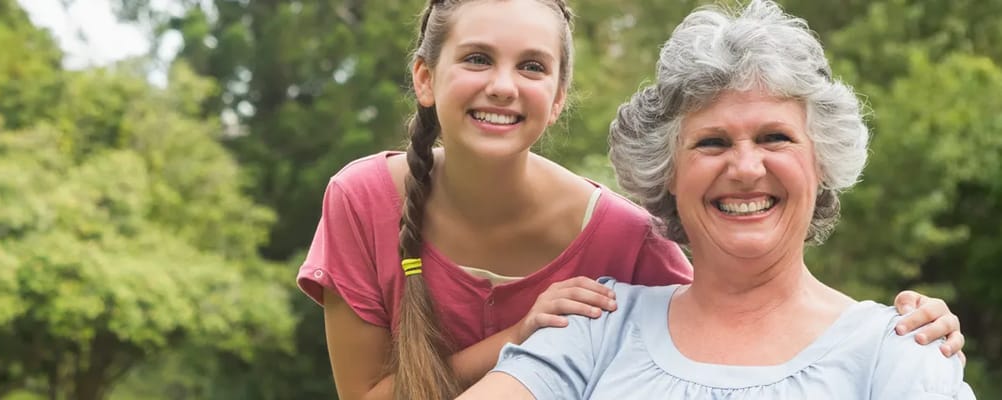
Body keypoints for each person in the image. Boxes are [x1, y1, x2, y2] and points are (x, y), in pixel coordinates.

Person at [297, 0, 965, 399]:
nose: (745, 166)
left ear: (821, 163)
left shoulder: (900, 350)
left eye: (774, 136)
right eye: (709, 143)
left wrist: (917, 332)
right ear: (666, 172)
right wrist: (522, 331)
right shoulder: (596, 319)